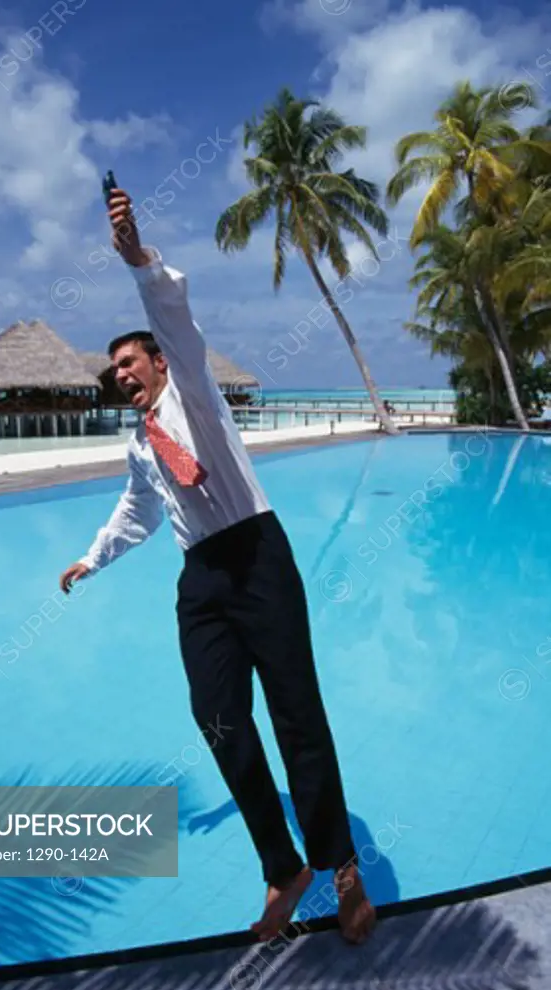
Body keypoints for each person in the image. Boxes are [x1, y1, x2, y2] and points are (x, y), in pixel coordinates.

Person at [60, 187, 376, 945]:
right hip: (200, 577)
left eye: (130, 362)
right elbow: (139, 511)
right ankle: (283, 867)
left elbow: (173, 315)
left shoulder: (195, 392)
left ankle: (339, 867)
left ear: (159, 364)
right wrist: (90, 558)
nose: (122, 376)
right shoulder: (139, 442)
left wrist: (137, 256)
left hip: (257, 554)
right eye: (114, 372)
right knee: (219, 719)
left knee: (297, 716)